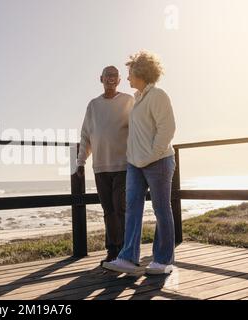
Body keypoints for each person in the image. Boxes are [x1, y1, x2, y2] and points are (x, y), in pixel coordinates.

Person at [103, 50, 177, 275]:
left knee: (161, 209)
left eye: (130, 73)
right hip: (135, 165)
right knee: (132, 209)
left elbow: (168, 129)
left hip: (159, 161)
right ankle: (128, 258)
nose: (127, 78)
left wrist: (151, 155)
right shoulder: (137, 99)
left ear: (141, 72)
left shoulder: (158, 95)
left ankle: (163, 261)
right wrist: (133, 158)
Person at [77, 66, 134, 265]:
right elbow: (86, 135)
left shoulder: (128, 101)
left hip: (123, 165)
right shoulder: (93, 105)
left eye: (114, 76)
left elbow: (138, 128)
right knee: (108, 210)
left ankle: (125, 251)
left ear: (119, 80)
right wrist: (80, 161)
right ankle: (112, 251)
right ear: (100, 78)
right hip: (100, 167)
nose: (110, 78)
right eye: (107, 75)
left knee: (120, 208)